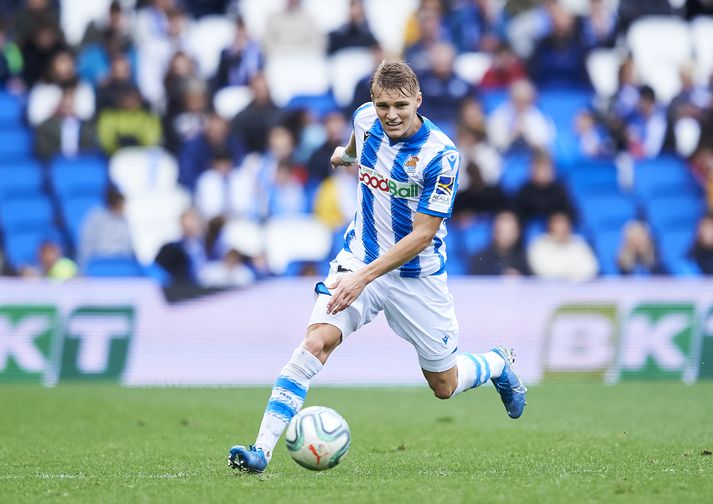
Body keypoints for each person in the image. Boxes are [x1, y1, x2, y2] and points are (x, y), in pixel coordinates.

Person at [227, 60, 527, 474]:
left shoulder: (442, 156)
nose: (392, 114)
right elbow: (356, 141)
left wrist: (362, 279)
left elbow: (423, 235)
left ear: (418, 101)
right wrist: (345, 156)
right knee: (316, 341)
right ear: (372, 102)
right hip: (358, 257)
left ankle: (497, 363)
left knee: (444, 384)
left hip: (415, 277)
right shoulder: (365, 119)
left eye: (401, 105)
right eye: (384, 104)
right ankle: (260, 450)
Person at [528, 212, 598, 281]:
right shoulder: (539, 244)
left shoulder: (579, 243)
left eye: (564, 225)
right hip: (547, 288)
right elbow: (540, 270)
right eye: (557, 224)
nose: (561, 228)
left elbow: (591, 268)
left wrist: (569, 277)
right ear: (550, 226)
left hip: (577, 287)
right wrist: (568, 273)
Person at [469, 210, 531, 276]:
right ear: (494, 231)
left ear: (518, 231)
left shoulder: (528, 259)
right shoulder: (480, 259)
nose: (506, 236)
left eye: (510, 231)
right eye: (502, 230)